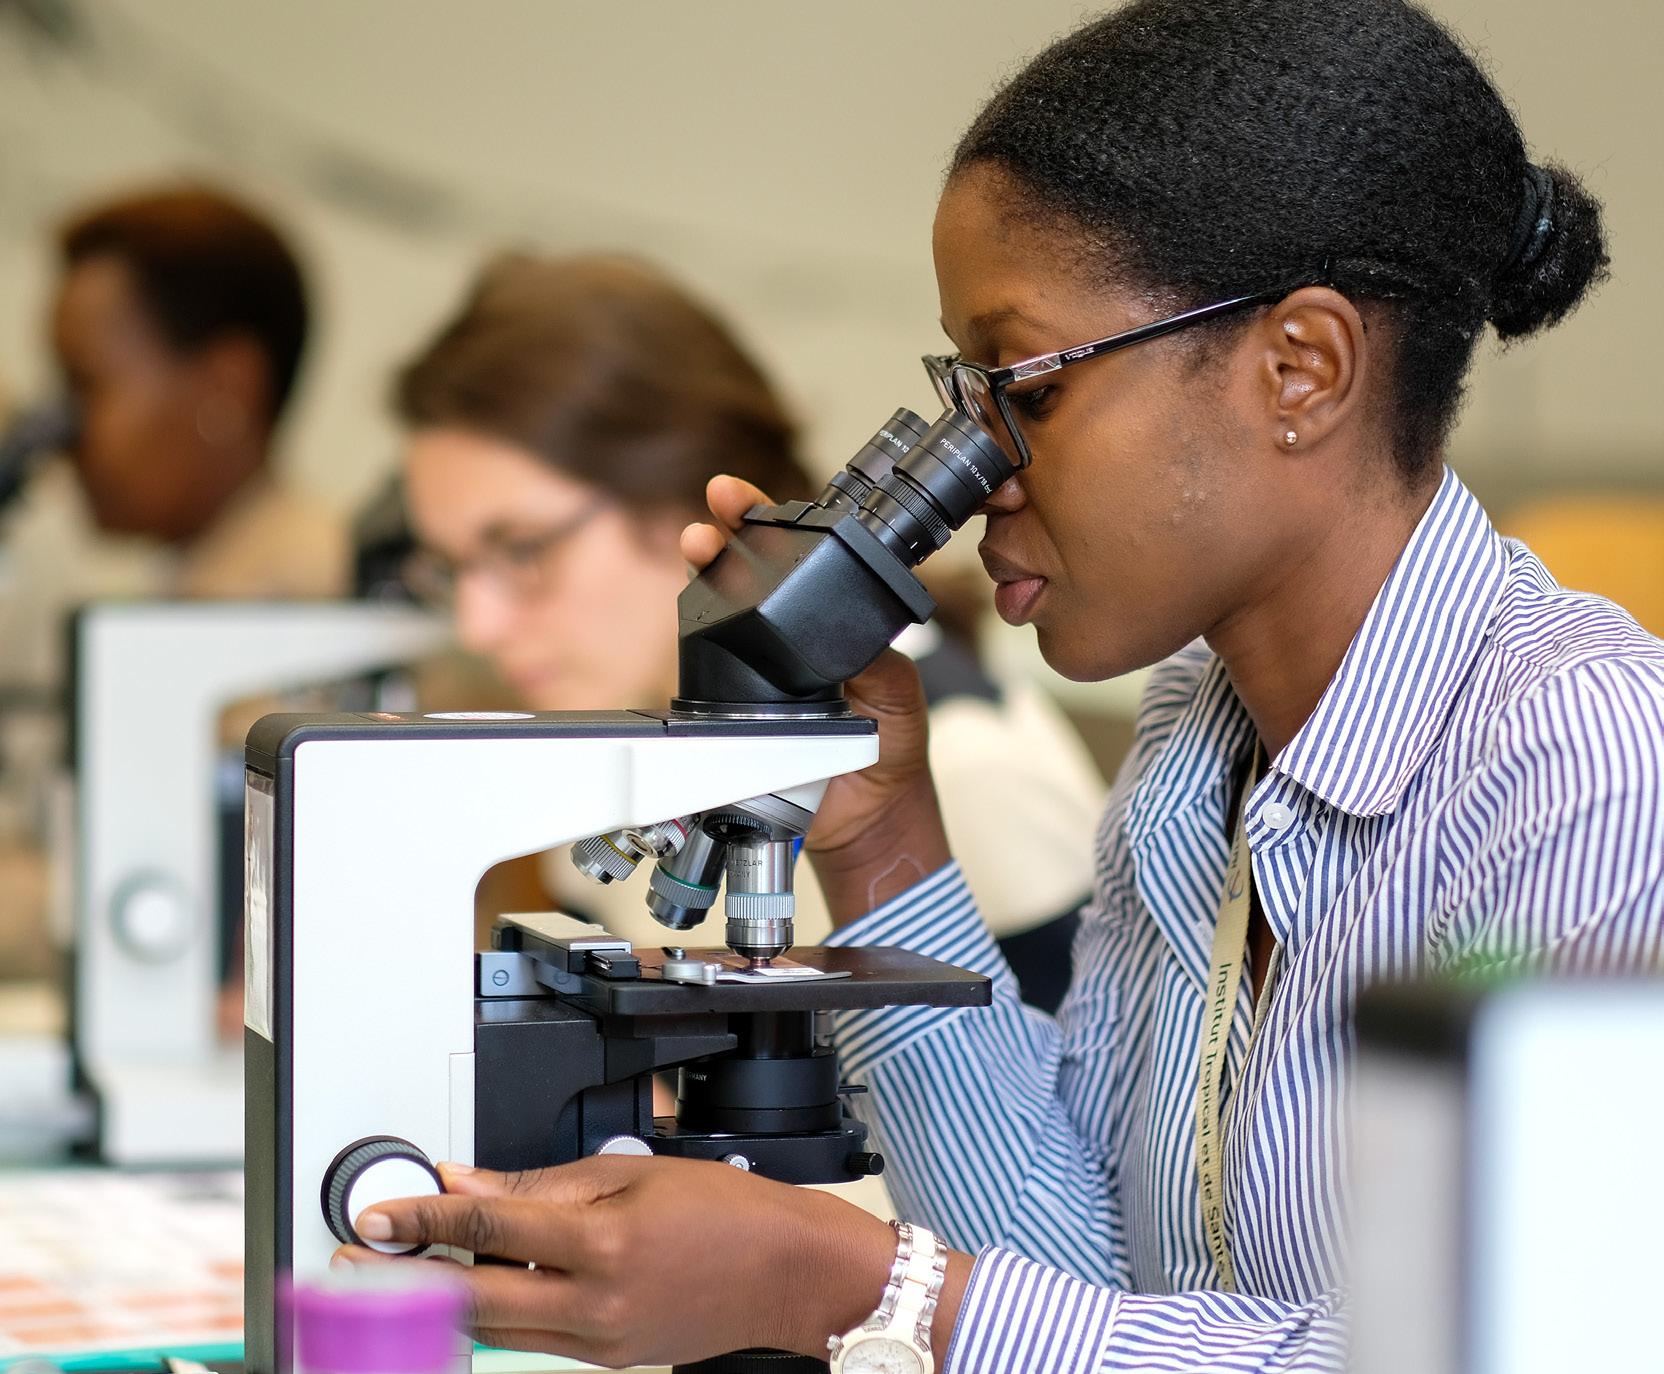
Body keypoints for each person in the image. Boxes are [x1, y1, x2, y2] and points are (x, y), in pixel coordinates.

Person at [332, 3, 1663, 1370]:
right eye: (963, 397)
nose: (978, 477)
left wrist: (857, 1291)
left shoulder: (1588, 760)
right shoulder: (1196, 737)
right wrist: (882, 843)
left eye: (1023, 390)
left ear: (1299, 371)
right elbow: (1083, 1276)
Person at [392, 252, 1105, 1011]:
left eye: (521, 550)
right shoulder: (623, 760)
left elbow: (1037, 1088)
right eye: (450, 568)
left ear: (677, 492)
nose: (477, 625)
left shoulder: (975, 773)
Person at [0, 183, 344, 981]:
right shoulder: (199, 590)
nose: (64, 438)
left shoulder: (302, 610)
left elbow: (172, 903)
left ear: (225, 387)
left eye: (87, 385)